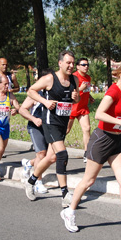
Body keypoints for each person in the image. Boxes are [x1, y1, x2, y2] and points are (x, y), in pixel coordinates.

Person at [60, 61, 121, 236]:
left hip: (115, 141)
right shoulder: (113, 91)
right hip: (102, 140)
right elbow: (98, 114)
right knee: (88, 181)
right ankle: (69, 211)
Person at [23, 50, 79, 205]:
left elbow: (76, 100)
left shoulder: (74, 79)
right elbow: (30, 91)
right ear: (60, 63)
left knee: (51, 157)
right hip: (50, 122)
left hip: (62, 122)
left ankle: (31, 181)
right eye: (68, 63)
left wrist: (76, 98)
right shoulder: (49, 79)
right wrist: (45, 102)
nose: (71, 66)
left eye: (73, 63)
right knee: (62, 155)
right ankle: (65, 194)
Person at [19, 70, 55, 195]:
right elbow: (22, 109)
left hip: (50, 127)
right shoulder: (35, 94)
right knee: (41, 154)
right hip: (36, 127)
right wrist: (34, 119)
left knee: (49, 157)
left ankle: (29, 164)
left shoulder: (55, 93)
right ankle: (38, 182)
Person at [66, 58, 94, 163]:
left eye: (87, 65)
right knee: (66, 131)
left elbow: (86, 90)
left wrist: (90, 97)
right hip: (72, 108)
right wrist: (81, 88)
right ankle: (53, 148)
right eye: (83, 65)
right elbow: (69, 92)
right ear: (77, 66)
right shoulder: (73, 77)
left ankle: (87, 153)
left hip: (83, 108)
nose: (86, 66)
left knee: (87, 129)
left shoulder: (88, 78)